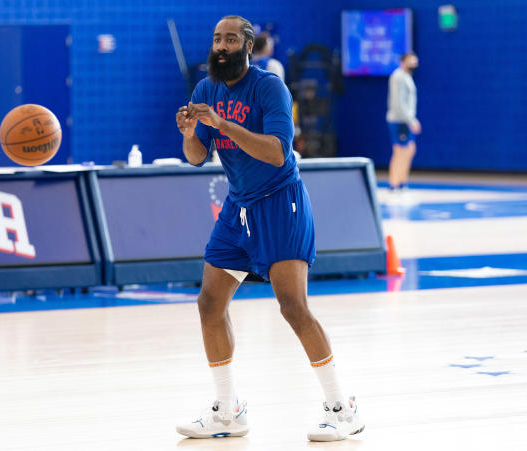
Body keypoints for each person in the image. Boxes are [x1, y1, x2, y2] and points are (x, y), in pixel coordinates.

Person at [175, 15, 364, 442]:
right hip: (238, 207)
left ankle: (342, 408)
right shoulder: (206, 89)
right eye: (216, 38)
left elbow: (279, 152)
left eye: (229, 39)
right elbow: (196, 157)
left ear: (247, 45)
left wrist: (223, 125)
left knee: (293, 307)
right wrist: (191, 134)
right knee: (209, 303)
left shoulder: (268, 87)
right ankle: (228, 411)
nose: (220, 46)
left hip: (281, 202)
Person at [386, 53, 421, 191]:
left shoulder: (407, 77)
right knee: (400, 151)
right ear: (403, 62)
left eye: (415, 62)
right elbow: (398, 102)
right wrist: (410, 120)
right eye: (411, 62)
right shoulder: (398, 76)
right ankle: (393, 184)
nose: (414, 65)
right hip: (399, 120)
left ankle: (402, 181)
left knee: (410, 149)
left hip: (405, 120)